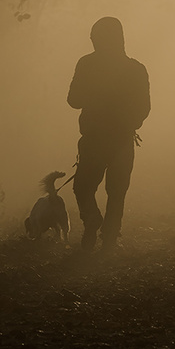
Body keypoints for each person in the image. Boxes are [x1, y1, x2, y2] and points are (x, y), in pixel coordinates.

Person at [67, 17, 150, 252]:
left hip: (94, 139)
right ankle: (110, 239)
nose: (92, 41)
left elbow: (73, 100)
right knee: (117, 191)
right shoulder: (136, 69)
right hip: (122, 140)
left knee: (83, 187)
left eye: (95, 37)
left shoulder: (86, 64)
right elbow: (144, 107)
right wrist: (129, 124)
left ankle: (93, 221)